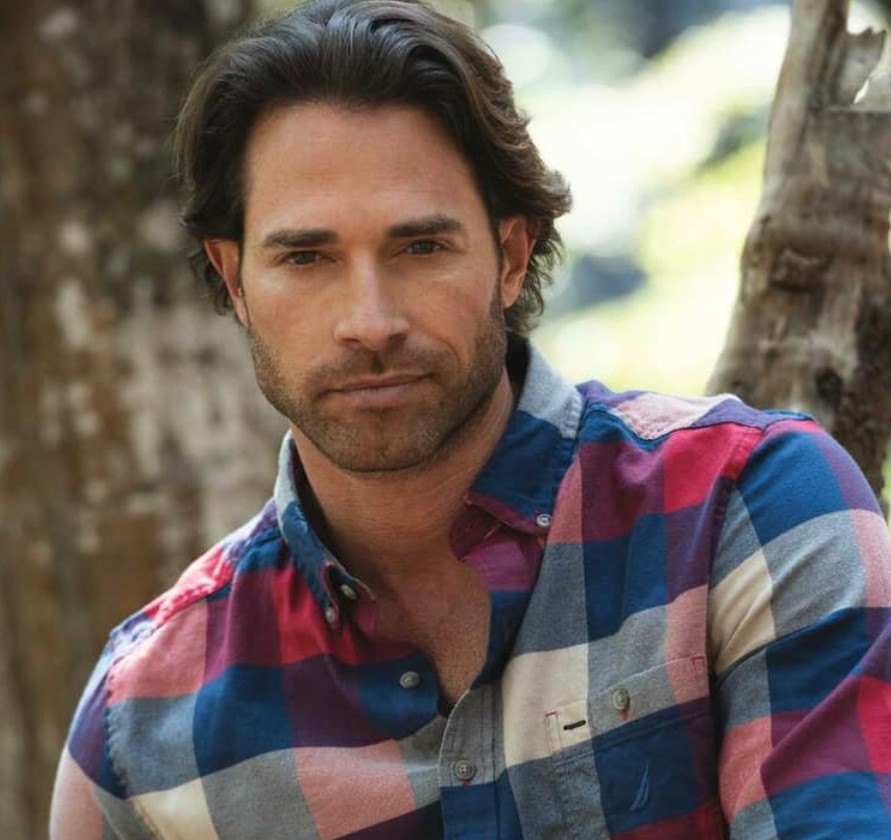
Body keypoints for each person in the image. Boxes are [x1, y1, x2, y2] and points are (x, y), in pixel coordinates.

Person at [50, 0, 891, 837]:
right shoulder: (143, 732)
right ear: (234, 280)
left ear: (510, 255)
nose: (370, 322)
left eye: (420, 247)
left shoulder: (745, 511)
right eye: (305, 258)